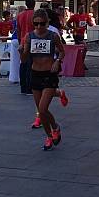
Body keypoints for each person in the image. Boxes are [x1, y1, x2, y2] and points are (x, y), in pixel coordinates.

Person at [20, 9, 67, 151]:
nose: (39, 27)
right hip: (35, 74)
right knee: (42, 112)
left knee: (42, 108)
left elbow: (62, 51)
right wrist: (22, 50)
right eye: (36, 24)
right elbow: (24, 59)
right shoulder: (29, 36)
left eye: (42, 24)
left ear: (47, 23)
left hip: (49, 75)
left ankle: (55, 127)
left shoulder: (53, 36)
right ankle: (49, 135)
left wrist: (57, 61)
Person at [17, 0, 35, 97]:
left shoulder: (20, 15)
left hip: (23, 42)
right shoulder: (35, 14)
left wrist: (21, 42)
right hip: (33, 42)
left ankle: (23, 87)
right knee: (31, 65)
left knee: (23, 64)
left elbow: (18, 30)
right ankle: (29, 88)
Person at [9, 7, 24, 84]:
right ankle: (22, 77)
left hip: (14, 39)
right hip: (22, 39)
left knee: (14, 60)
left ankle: (14, 78)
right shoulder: (24, 19)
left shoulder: (15, 19)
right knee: (23, 60)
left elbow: (12, 31)